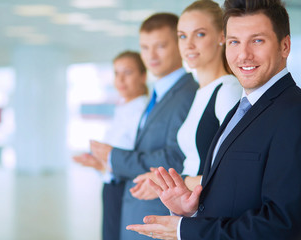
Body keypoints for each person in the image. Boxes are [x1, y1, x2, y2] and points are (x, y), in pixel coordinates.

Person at [126, 0, 301, 239]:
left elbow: (282, 224)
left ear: (285, 46)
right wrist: (193, 210)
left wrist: (185, 230)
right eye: (234, 42)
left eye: (257, 40)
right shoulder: (241, 110)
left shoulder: (293, 114)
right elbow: (238, 194)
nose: (244, 55)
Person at [90, 13, 198, 240]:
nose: (152, 55)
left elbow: (176, 156)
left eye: (161, 46)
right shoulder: (158, 93)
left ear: (179, 44)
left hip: (155, 213)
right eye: (145, 47)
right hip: (138, 211)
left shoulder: (188, 93)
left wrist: (114, 157)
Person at [129, 0, 242, 201]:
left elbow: (235, 172)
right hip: (192, 207)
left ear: (221, 36)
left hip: (213, 209)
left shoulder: (227, 91)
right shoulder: (202, 91)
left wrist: (178, 181)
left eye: (200, 34)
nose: (188, 45)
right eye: (182, 36)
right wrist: (162, 179)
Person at [73, 50, 148, 240]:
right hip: (111, 185)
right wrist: (97, 163)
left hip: (126, 188)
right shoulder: (123, 107)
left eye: (128, 73)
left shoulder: (144, 110)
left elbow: (133, 158)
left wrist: (105, 163)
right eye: (116, 73)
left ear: (143, 75)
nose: (120, 80)